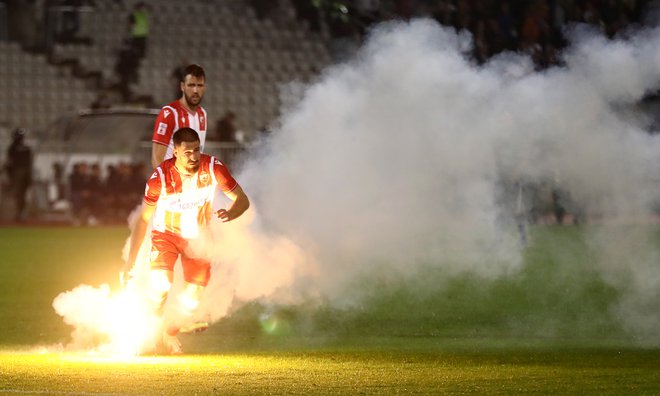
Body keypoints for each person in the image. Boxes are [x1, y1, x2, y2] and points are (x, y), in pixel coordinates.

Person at [121, 128, 250, 354]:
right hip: (166, 235)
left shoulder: (212, 167)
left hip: (198, 238)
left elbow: (242, 200)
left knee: (190, 301)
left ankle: (169, 334)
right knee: (160, 284)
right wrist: (130, 261)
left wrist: (231, 213)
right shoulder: (159, 177)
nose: (193, 156)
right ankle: (148, 331)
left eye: (197, 150)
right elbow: (143, 219)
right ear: (175, 152)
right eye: (187, 152)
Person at [151, 64, 209, 169]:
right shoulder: (169, 113)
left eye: (199, 85)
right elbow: (156, 159)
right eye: (191, 85)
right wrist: (170, 183)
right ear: (182, 86)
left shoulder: (202, 114)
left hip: (189, 182)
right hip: (171, 181)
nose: (195, 90)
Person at [4, 128, 33, 222]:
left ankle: (19, 213)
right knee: (21, 195)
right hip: (24, 173)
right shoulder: (26, 148)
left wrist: (9, 174)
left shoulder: (12, 148)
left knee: (19, 194)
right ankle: (20, 213)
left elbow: (9, 163)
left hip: (18, 173)